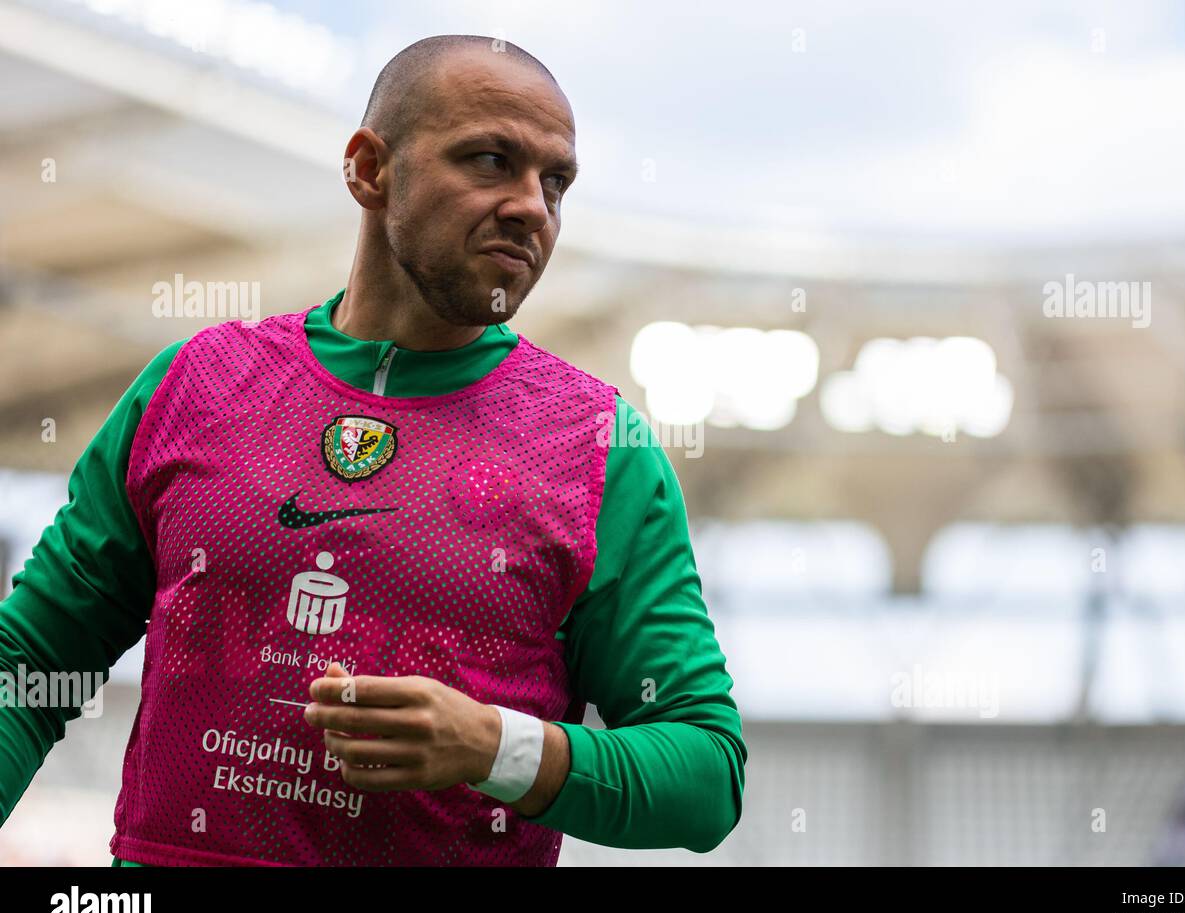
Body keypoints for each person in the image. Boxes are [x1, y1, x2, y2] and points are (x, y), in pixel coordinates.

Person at [0, 35, 745, 866]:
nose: (533, 205)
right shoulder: (195, 385)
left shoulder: (603, 450)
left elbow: (706, 777)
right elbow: (31, 662)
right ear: (368, 168)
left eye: (555, 182)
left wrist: (497, 747)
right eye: (491, 160)